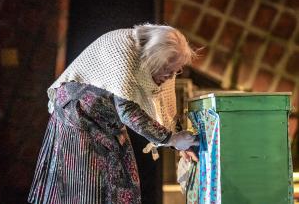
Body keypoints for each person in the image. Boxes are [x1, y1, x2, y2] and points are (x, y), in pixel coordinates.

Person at [28, 23, 198, 204]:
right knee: (88, 186)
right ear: (154, 60)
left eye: (176, 71)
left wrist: (179, 145)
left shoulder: (163, 62)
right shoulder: (123, 49)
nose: (172, 76)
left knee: (123, 179)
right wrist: (170, 139)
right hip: (77, 117)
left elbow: (166, 108)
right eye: (168, 70)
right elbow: (127, 110)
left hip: (106, 120)